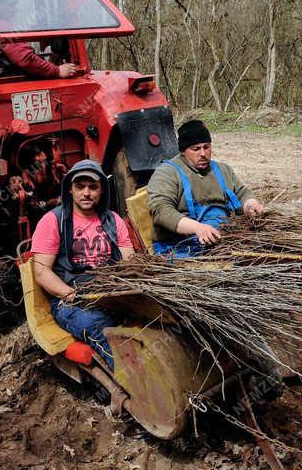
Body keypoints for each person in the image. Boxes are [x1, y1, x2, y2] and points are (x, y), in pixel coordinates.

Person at [30, 159, 134, 369]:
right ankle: (134, 382)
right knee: (100, 327)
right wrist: (71, 295)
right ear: (70, 190)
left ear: (102, 190)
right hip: (71, 300)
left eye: (93, 187)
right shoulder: (53, 221)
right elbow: (41, 272)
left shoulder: (113, 220)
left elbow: (129, 261)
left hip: (110, 292)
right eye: (80, 187)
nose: (86, 193)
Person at [147, 119, 265, 258]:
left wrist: (251, 204)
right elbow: (161, 211)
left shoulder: (223, 170)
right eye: (196, 149)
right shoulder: (167, 172)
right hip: (181, 247)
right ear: (183, 151)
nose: (203, 153)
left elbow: (241, 193)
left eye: (206, 147)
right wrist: (197, 228)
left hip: (222, 240)